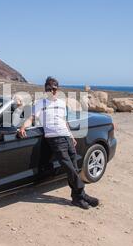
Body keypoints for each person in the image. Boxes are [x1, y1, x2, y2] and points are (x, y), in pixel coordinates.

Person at [18, 76, 99, 209]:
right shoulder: (40, 104)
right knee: (69, 167)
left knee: (74, 167)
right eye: (49, 89)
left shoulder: (62, 104)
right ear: (45, 90)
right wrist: (23, 127)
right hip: (54, 139)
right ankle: (82, 194)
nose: (52, 91)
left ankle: (77, 198)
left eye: (54, 89)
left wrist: (71, 136)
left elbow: (64, 122)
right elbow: (31, 118)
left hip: (67, 137)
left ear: (57, 89)